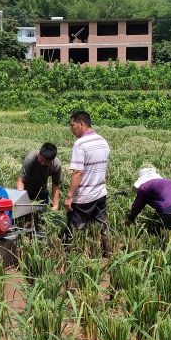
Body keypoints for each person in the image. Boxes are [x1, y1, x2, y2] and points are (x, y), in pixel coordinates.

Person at [64, 110, 111, 256]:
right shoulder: (103, 141)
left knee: (74, 227)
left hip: (84, 196)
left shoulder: (80, 144)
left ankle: (70, 255)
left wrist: (69, 197)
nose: (71, 129)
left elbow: (78, 173)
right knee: (102, 224)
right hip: (100, 193)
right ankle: (108, 251)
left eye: (72, 125)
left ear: (81, 123)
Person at [123, 166, 171, 232]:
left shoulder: (145, 186)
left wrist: (129, 219)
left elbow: (137, 206)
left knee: (155, 235)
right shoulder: (170, 182)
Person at [17, 142, 62, 210]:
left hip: (42, 193)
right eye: (41, 160)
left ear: (52, 160)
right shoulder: (30, 158)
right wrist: (21, 200)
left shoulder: (56, 164)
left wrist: (55, 206)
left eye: (46, 162)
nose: (42, 163)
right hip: (26, 191)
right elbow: (21, 180)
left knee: (43, 215)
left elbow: (55, 185)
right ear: (39, 153)